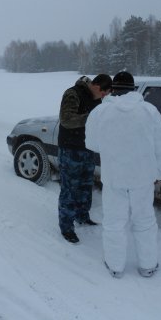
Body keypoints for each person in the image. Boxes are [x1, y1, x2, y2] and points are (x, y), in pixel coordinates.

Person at [85, 71, 161, 278]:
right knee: (145, 221)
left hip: (114, 176)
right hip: (143, 177)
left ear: (113, 88)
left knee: (114, 222)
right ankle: (148, 265)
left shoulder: (100, 112)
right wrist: (159, 172)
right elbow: (160, 145)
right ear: (133, 88)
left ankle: (115, 266)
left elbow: (92, 144)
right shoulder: (150, 111)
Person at [58, 73, 113, 243]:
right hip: (70, 149)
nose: (104, 97)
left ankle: (82, 216)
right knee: (70, 189)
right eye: (104, 93)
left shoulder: (96, 99)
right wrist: (92, 117)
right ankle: (66, 227)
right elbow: (66, 119)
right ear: (96, 86)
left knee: (85, 186)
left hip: (87, 149)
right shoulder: (73, 93)